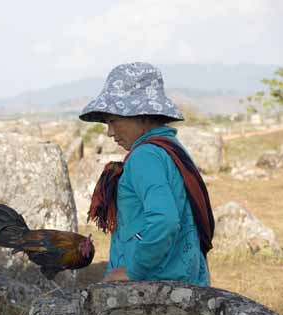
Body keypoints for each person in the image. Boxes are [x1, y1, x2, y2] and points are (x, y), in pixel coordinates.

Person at [79, 62, 214, 286]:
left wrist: (134, 270)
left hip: (152, 287)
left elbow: (165, 220)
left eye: (113, 120)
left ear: (141, 115)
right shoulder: (170, 148)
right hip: (181, 279)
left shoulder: (145, 157)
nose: (110, 132)